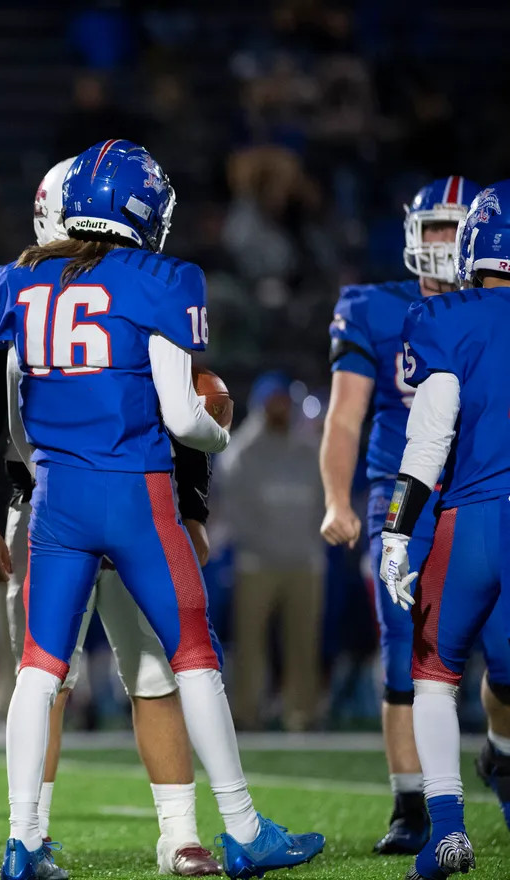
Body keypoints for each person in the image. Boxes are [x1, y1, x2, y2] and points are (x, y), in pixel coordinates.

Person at [0, 139, 324, 880]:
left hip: (58, 502)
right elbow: (181, 415)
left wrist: (45, 462)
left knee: (41, 671)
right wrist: (222, 425)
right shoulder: (166, 278)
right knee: (193, 659)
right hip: (136, 495)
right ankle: (242, 828)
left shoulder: (22, 279)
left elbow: (15, 404)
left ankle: (23, 842)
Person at [0, 157, 220, 879]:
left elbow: (166, 403)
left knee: (133, 673)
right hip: (66, 502)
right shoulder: (130, 287)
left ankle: (174, 833)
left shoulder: (19, 292)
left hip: (69, 502)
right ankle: (38, 835)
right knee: (57, 677)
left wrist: (190, 502)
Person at [319, 176, 510, 854]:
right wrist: (337, 499)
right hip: (402, 492)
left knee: (500, 657)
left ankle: (496, 749)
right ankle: (414, 805)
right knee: (407, 644)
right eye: (433, 227)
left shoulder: (476, 309)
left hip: (477, 490)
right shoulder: (375, 306)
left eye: (456, 229)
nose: (444, 242)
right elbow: (344, 418)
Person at [376, 180, 510, 880]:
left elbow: (427, 440)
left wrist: (397, 533)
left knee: (433, 675)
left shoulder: (447, 316)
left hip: (473, 519)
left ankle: (448, 831)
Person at [219, 372, 324, 732]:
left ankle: (302, 713)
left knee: (303, 642)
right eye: (274, 401)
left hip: (304, 560)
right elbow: (233, 509)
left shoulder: (308, 449)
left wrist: (313, 541)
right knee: (250, 644)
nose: (280, 408)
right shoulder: (242, 452)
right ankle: (247, 712)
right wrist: (262, 541)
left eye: (284, 401)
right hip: (256, 561)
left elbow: (324, 503)